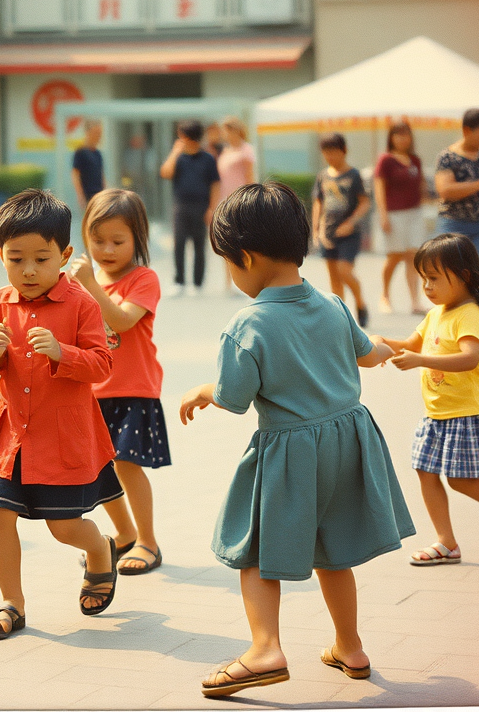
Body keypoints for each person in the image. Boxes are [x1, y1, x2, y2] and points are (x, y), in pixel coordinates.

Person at [179, 182, 412, 699]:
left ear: (247, 257)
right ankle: (350, 647)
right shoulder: (331, 303)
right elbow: (367, 352)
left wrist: (201, 390)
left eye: (229, 264)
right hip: (349, 442)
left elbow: (233, 396)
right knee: (335, 552)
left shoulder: (249, 324)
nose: (232, 275)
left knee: (254, 551)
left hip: (290, 452)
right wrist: (389, 348)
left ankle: (265, 649)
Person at [0, 189, 121, 638]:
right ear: (0, 255)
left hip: (60, 437)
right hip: (8, 435)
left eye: (41, 258)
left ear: (65, 255)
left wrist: (63, 353)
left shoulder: (83, 304)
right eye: (16, 259)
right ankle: (11, 604)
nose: (28, 270)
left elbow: (103, 364)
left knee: (63, 526)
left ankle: (99, 549)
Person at [376, 234, 479, 567]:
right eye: (423, 278)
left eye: (434, 278)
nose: (427, 286)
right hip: (436, 412)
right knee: (424, 470)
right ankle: (446, 542)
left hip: (466, 412)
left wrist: (421, 360)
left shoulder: (469, 314)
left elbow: (469, 358)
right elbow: (409, 342)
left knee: (460, 479)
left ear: (463, 276)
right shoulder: (437, 312)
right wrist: (377, 343)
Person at [70, 189, 169, 574]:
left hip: (132, 388)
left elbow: (123, 321)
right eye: (97, 241)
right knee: (100, 469)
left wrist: (91, 285)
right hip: (92, 391)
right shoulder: (82, 282)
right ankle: (124, 534)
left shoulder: (143, 279)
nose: (107, 249)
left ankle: (148, 541)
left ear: (138, 239)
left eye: (117, 241)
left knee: (127, 464)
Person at [433, 108, 479, 343]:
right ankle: (446, 326)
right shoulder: (447, 157)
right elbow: (445, 190)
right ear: (467, 130)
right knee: (449, 274)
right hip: (452, 223)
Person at [312, 132, 370, 326]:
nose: (330, 157)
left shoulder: (353, 175)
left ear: (343, 151)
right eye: (326, 153)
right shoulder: (323, 176)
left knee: (344, 271)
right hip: (328, 232)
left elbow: (364, 202)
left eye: (334, 152)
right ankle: (341, 316)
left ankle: (360, 304)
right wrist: (316, 228)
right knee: (334, 277)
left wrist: (351, 222)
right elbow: (318, 203)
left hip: (349, 233)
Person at [160, 119, 220, 297]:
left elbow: (215, 184)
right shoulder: (178, 157)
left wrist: (212, 208)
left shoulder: (207, 158)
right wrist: (175, 152)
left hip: (201, 206)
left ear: (187, 136)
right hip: (181, 205)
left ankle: (198, 283)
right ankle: (179, 281)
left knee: (199, 244)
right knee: (179, 243)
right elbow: (165, 173)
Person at [373, 121, 427, 315]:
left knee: (413, 256)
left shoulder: (415, 160)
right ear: (391, 137)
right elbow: (379, 188)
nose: (402, 138)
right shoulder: (386, 160)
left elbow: (420, 186)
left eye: (405, 134)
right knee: (394, 256)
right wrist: (383, 214)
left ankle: (415, 301)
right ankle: (385, 295)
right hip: (394, 214)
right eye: (398, 134)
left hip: (414, 213)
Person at [215, 116, 257, 294]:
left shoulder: (246, 150)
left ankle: (247, 279)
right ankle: (229, 282)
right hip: (225, 201)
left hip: (241, 201)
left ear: (235, 130)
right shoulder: (225, 151)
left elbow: (249, 177)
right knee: (227, 241)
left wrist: (251, 200)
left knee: (243, 243)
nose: (225, 134)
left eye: (227, 130)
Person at [71, 119, 106, 207]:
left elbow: (101, 174)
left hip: (99, 194)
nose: (99, 136)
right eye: (96, 133)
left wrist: (106, 191)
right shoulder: (80, 152)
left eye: (100, 133)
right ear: (88, 133)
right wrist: (80, 195)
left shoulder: (98, 153)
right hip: (88, 195)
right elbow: (75, 174)